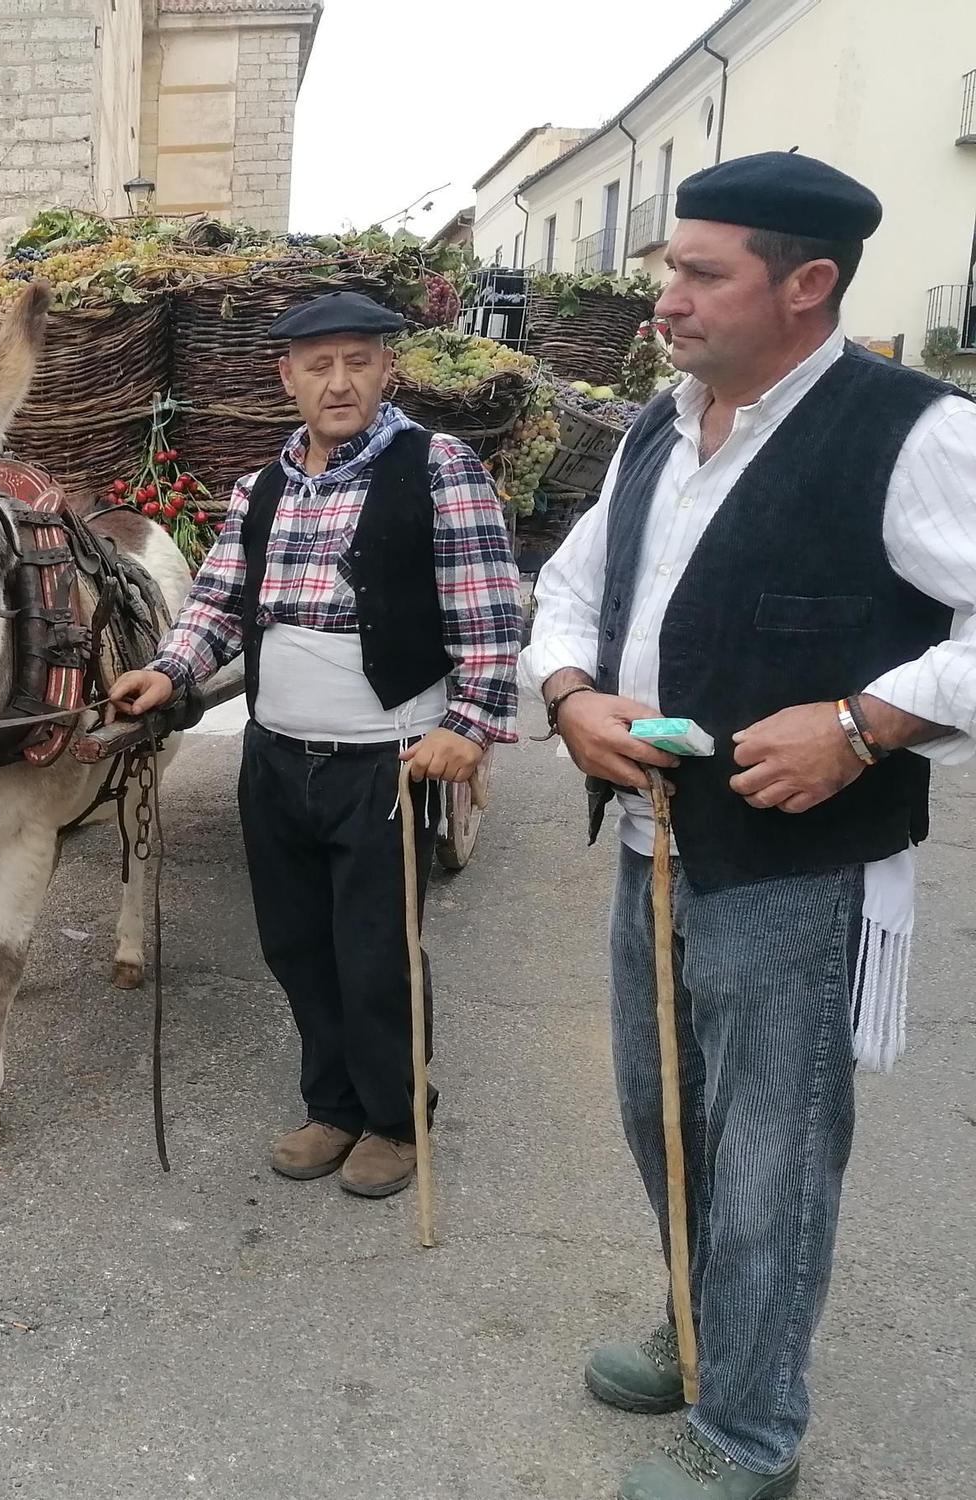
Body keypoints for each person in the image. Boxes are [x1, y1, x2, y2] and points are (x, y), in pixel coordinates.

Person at [524, 153, 976, 1500]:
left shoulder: (913, 430)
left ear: (808, 284)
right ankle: (704, 1329)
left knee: (770, 1148)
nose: (667, 296)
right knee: (661, 1116)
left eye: (700, 272)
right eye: (669, 267)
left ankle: (751, 1434)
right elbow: (572, 582)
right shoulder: (658, 424)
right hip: (659, 839)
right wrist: (569, 694)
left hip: (797, 866)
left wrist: (863, 724)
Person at [110, 290, 523, 1199]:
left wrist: (470, 726)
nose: (339, 381)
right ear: (287, 377)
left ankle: (394, 1118)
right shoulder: (262, 488)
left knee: (375, 948)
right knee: (295, 942)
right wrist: (171, 673)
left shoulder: (438, 468)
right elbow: (219, 602)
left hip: (389, 758)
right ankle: (331, 1105)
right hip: (276, 754)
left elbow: (490, 617)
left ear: (386, 368)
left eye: (359, 360)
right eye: (318, 365)